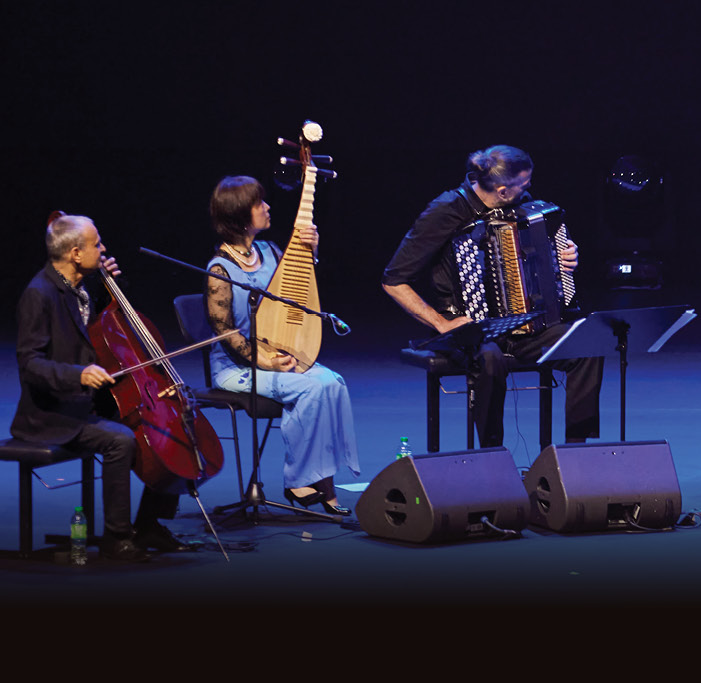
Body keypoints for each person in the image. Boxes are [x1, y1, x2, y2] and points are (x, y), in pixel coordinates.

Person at [382, 145, 603, 447]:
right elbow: (393, 280)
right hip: (468, 330)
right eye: (523, 184)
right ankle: (492, 454)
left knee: (586, 347)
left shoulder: (519, 204)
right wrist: (441, 323)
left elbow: (541, 245)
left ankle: (576, 452)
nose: (528, 189)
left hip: (523, 327)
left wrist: (564, 254)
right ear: (501, 191)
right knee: (489, 358)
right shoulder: (445, 211)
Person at [12, 214, 187, 560]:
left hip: (88, 402)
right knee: (119, 440)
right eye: (96, 244)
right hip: (52, 413)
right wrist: (78, 374)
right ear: (76, 253)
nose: (103, 248)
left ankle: (149, 524)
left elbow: (101, 338)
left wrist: (110, 290)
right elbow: (29, 364)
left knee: (170, 427)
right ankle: (117, 537)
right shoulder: (39, 294)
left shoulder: (81, 286)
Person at [205, 176, 360, 515]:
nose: (267, 207)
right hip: (237, 368)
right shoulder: (220, 268)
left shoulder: (270, 251)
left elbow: (300, 286)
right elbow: (224, 333)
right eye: (259, 203)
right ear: (240, 214)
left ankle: (326, 485)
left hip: (278, 353)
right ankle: (297, 480)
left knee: (332, 384)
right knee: (309, 390)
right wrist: (265, 361)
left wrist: (312, 250)